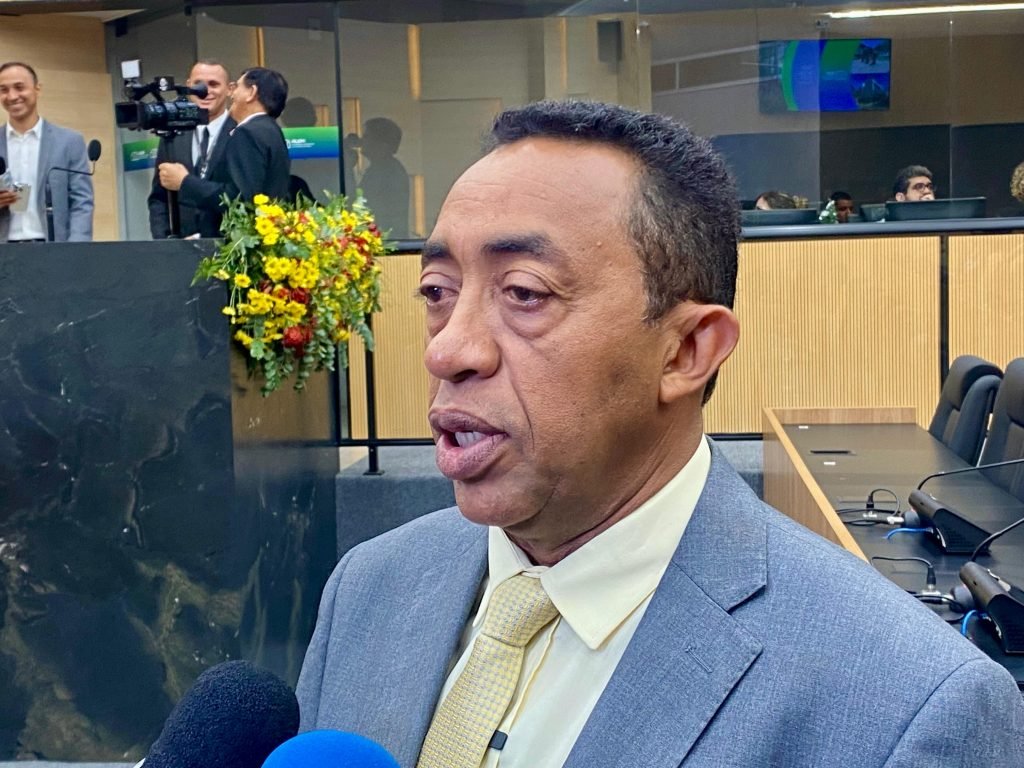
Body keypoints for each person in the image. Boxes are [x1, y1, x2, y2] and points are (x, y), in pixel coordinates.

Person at [296, 101, 1024, 767]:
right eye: (436, 292)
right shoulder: (368, 587)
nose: (448, 350)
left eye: (524, 293)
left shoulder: (909, 708)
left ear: (686, 351)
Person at [158, 66, 290, 229]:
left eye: (237, 87)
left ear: (252, 92)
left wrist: (185, 182)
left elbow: (239, 199)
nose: (232, 94)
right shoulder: (271, 130)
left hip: (242, 238)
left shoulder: (246, 132)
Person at [0, 61, 93, 242]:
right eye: (4, 90)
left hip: (54, 248)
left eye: (19, 87)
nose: (12, 96)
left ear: (37, 89)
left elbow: (81, 202)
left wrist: (77, 249)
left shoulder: (69, 142)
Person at [147, 59, 236, 239]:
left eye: (214, 84)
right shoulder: (173, 132)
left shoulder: (241, 132)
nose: (205, 91)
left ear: (230, 89)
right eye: (198, 85)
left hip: (227, 247)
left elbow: (239, 196)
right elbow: (159, 197)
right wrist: (165, 242)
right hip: (180, 248)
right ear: (188, 86)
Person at [356, 117, 409, 238]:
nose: (361, 141)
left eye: (366, 136)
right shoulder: (382, 168)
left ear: (382, 144)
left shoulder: (387, 171)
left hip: (384, 241)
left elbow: (370, 208)